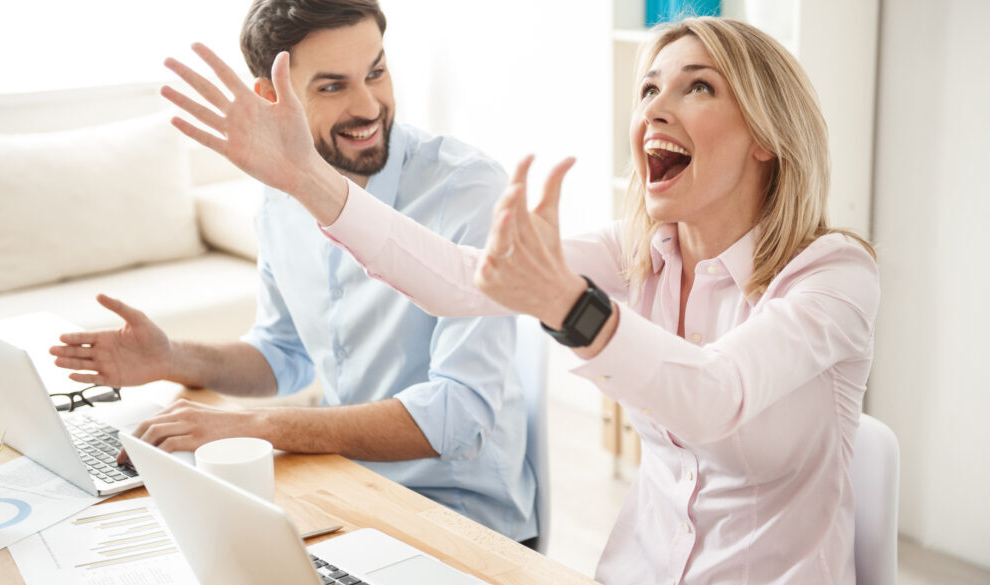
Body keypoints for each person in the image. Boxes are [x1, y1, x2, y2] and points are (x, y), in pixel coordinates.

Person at [153, 13, 879, 585]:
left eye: (697, 86)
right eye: (648, 87)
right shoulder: (634, 256)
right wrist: (307, 178)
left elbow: (716, 395)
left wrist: (574, 309)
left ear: (766, 135)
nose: (655, 107)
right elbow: (458, 278)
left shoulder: (832, 275)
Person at [50, 0, 538, 544]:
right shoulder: (279, 198)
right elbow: (284, 353)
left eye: (376, 72)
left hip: (459, 517)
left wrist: (256, 428)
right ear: (273, 100)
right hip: (342, 488)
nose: (368, 106)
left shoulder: (467, 191)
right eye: (332, 87)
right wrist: (173, 358)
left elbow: (459, 415)